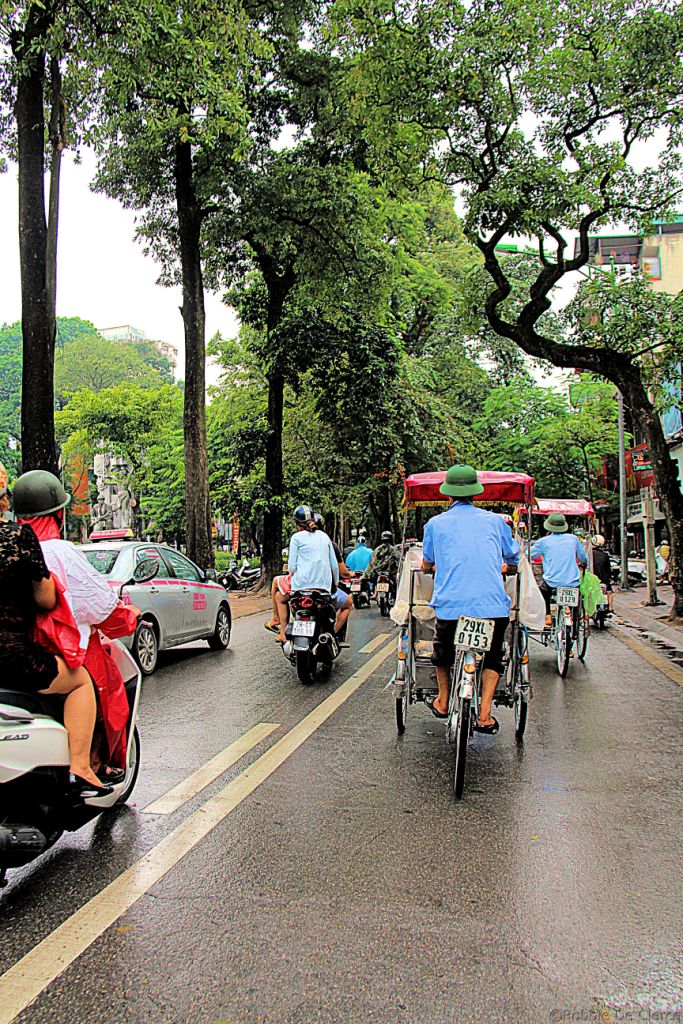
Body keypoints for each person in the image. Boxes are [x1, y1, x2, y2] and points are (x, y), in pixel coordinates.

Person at [13, 470, 140, 787]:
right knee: (101, 690)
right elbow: (98, 606)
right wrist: (128, 615)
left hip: (15, 647)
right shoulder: (59, 552)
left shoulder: (11, 546)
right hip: (52, 652)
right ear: (58, 513)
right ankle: (88, 764)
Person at [0, 465, 112, 798]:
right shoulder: (19, 538)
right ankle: (80, 766)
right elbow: (46, 598)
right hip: (13, 658)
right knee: (80, 682)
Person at [421, 465, 520, 734]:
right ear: (476, 493)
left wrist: (429, 567)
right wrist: (509, 565)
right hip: (492, 607)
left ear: (448, 495)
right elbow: (512, 556)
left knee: (442, 649)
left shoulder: (435, 524)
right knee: (493, 655)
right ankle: (485, 714)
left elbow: (427, 561)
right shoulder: (496, 522)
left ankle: (442, 700)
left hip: (451, 608)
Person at [273, 505, 340, 643]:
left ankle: (282, 631)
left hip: (300, 589)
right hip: (323, 589)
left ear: (297, 523)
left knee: (279, 596)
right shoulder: (325, 537)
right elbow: (334, 566)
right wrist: (336, 583)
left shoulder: (296, 538)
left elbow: (291, 567)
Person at [530, 513, 589, 627]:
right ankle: (576, 621)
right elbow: (583, 557)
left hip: (552, 582)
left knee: (543, 592)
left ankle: (547, 615)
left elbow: (529, 554)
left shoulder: (544, 542)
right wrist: (584, 563)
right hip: (572, 582)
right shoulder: (573, 539)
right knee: (577, 597)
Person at [591, 535, 614, 612]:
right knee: (610, 591)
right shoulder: (605, 555)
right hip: (603, 580)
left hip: (591, 580)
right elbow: (608, 570)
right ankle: (610, 607)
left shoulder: (588, 555)